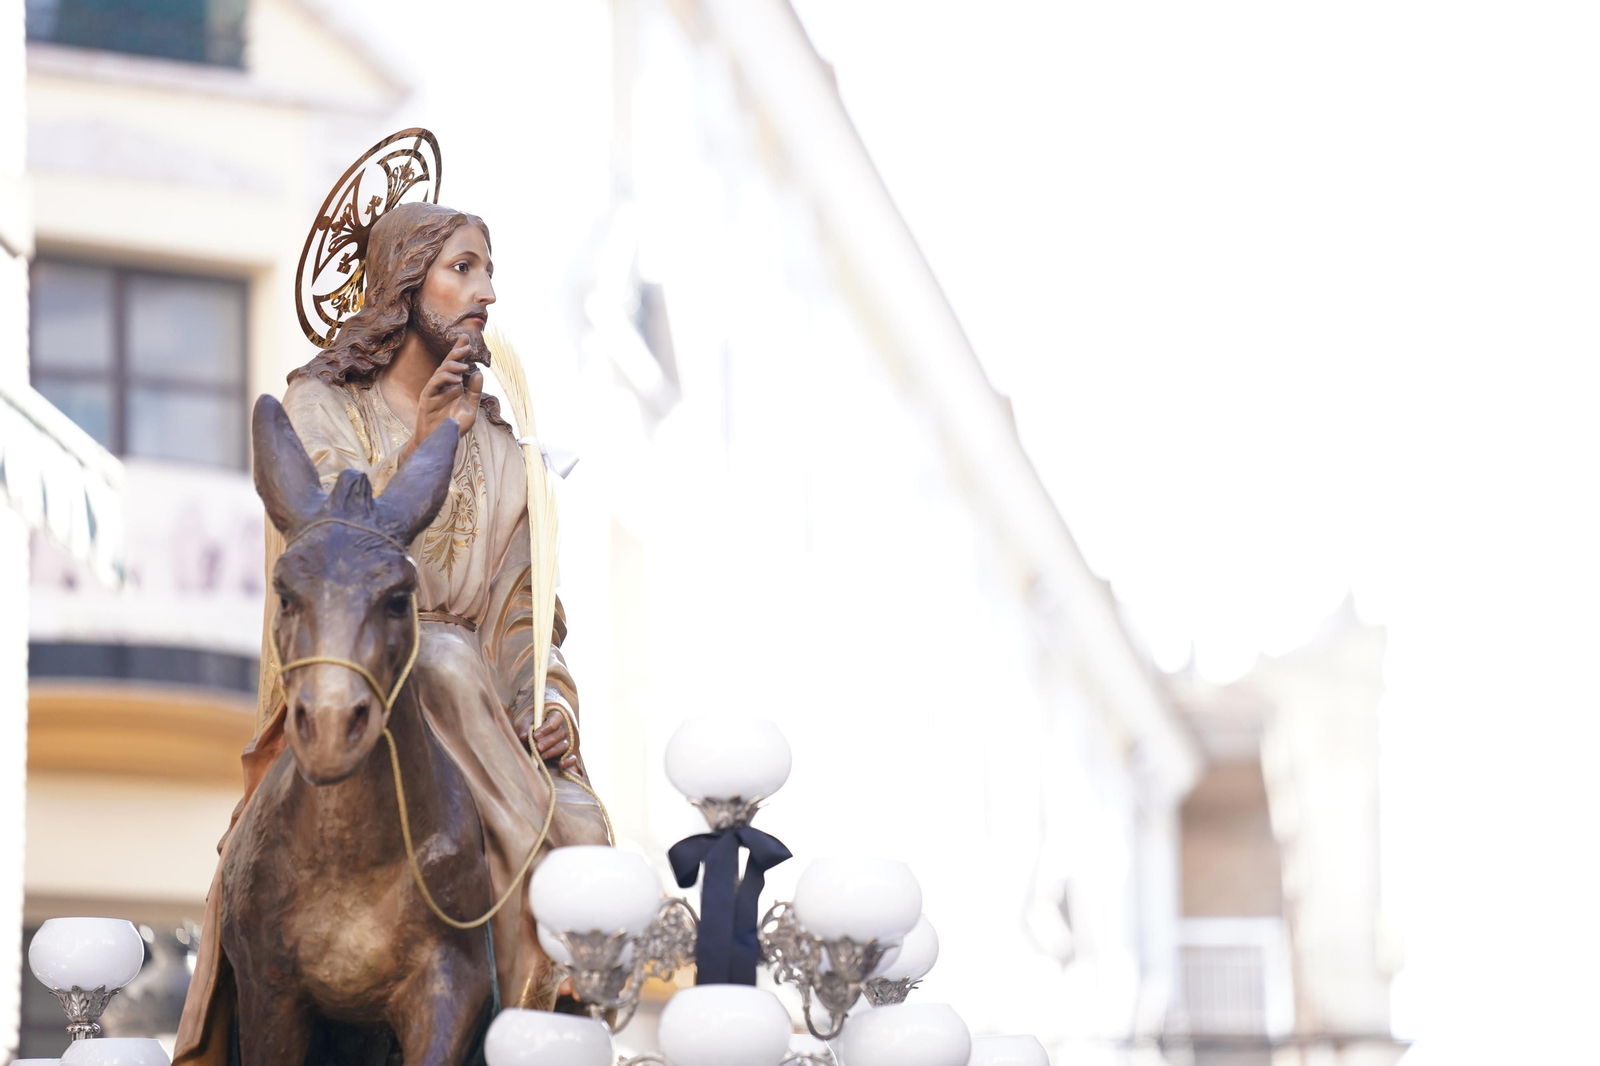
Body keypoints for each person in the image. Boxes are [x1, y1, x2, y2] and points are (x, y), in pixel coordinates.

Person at [174, 201, 609, 1065]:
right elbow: (338, 549)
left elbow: (529, 614)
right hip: (356, 672)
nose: (487, 290)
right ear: (404, 281)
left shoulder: (507, 453)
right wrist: (421, 445)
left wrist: (549, 702)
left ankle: (559, 969)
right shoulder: (321, 407)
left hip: (488, 711)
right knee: (437, 654)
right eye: (463, 267)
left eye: (487, 269)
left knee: (586, 829)